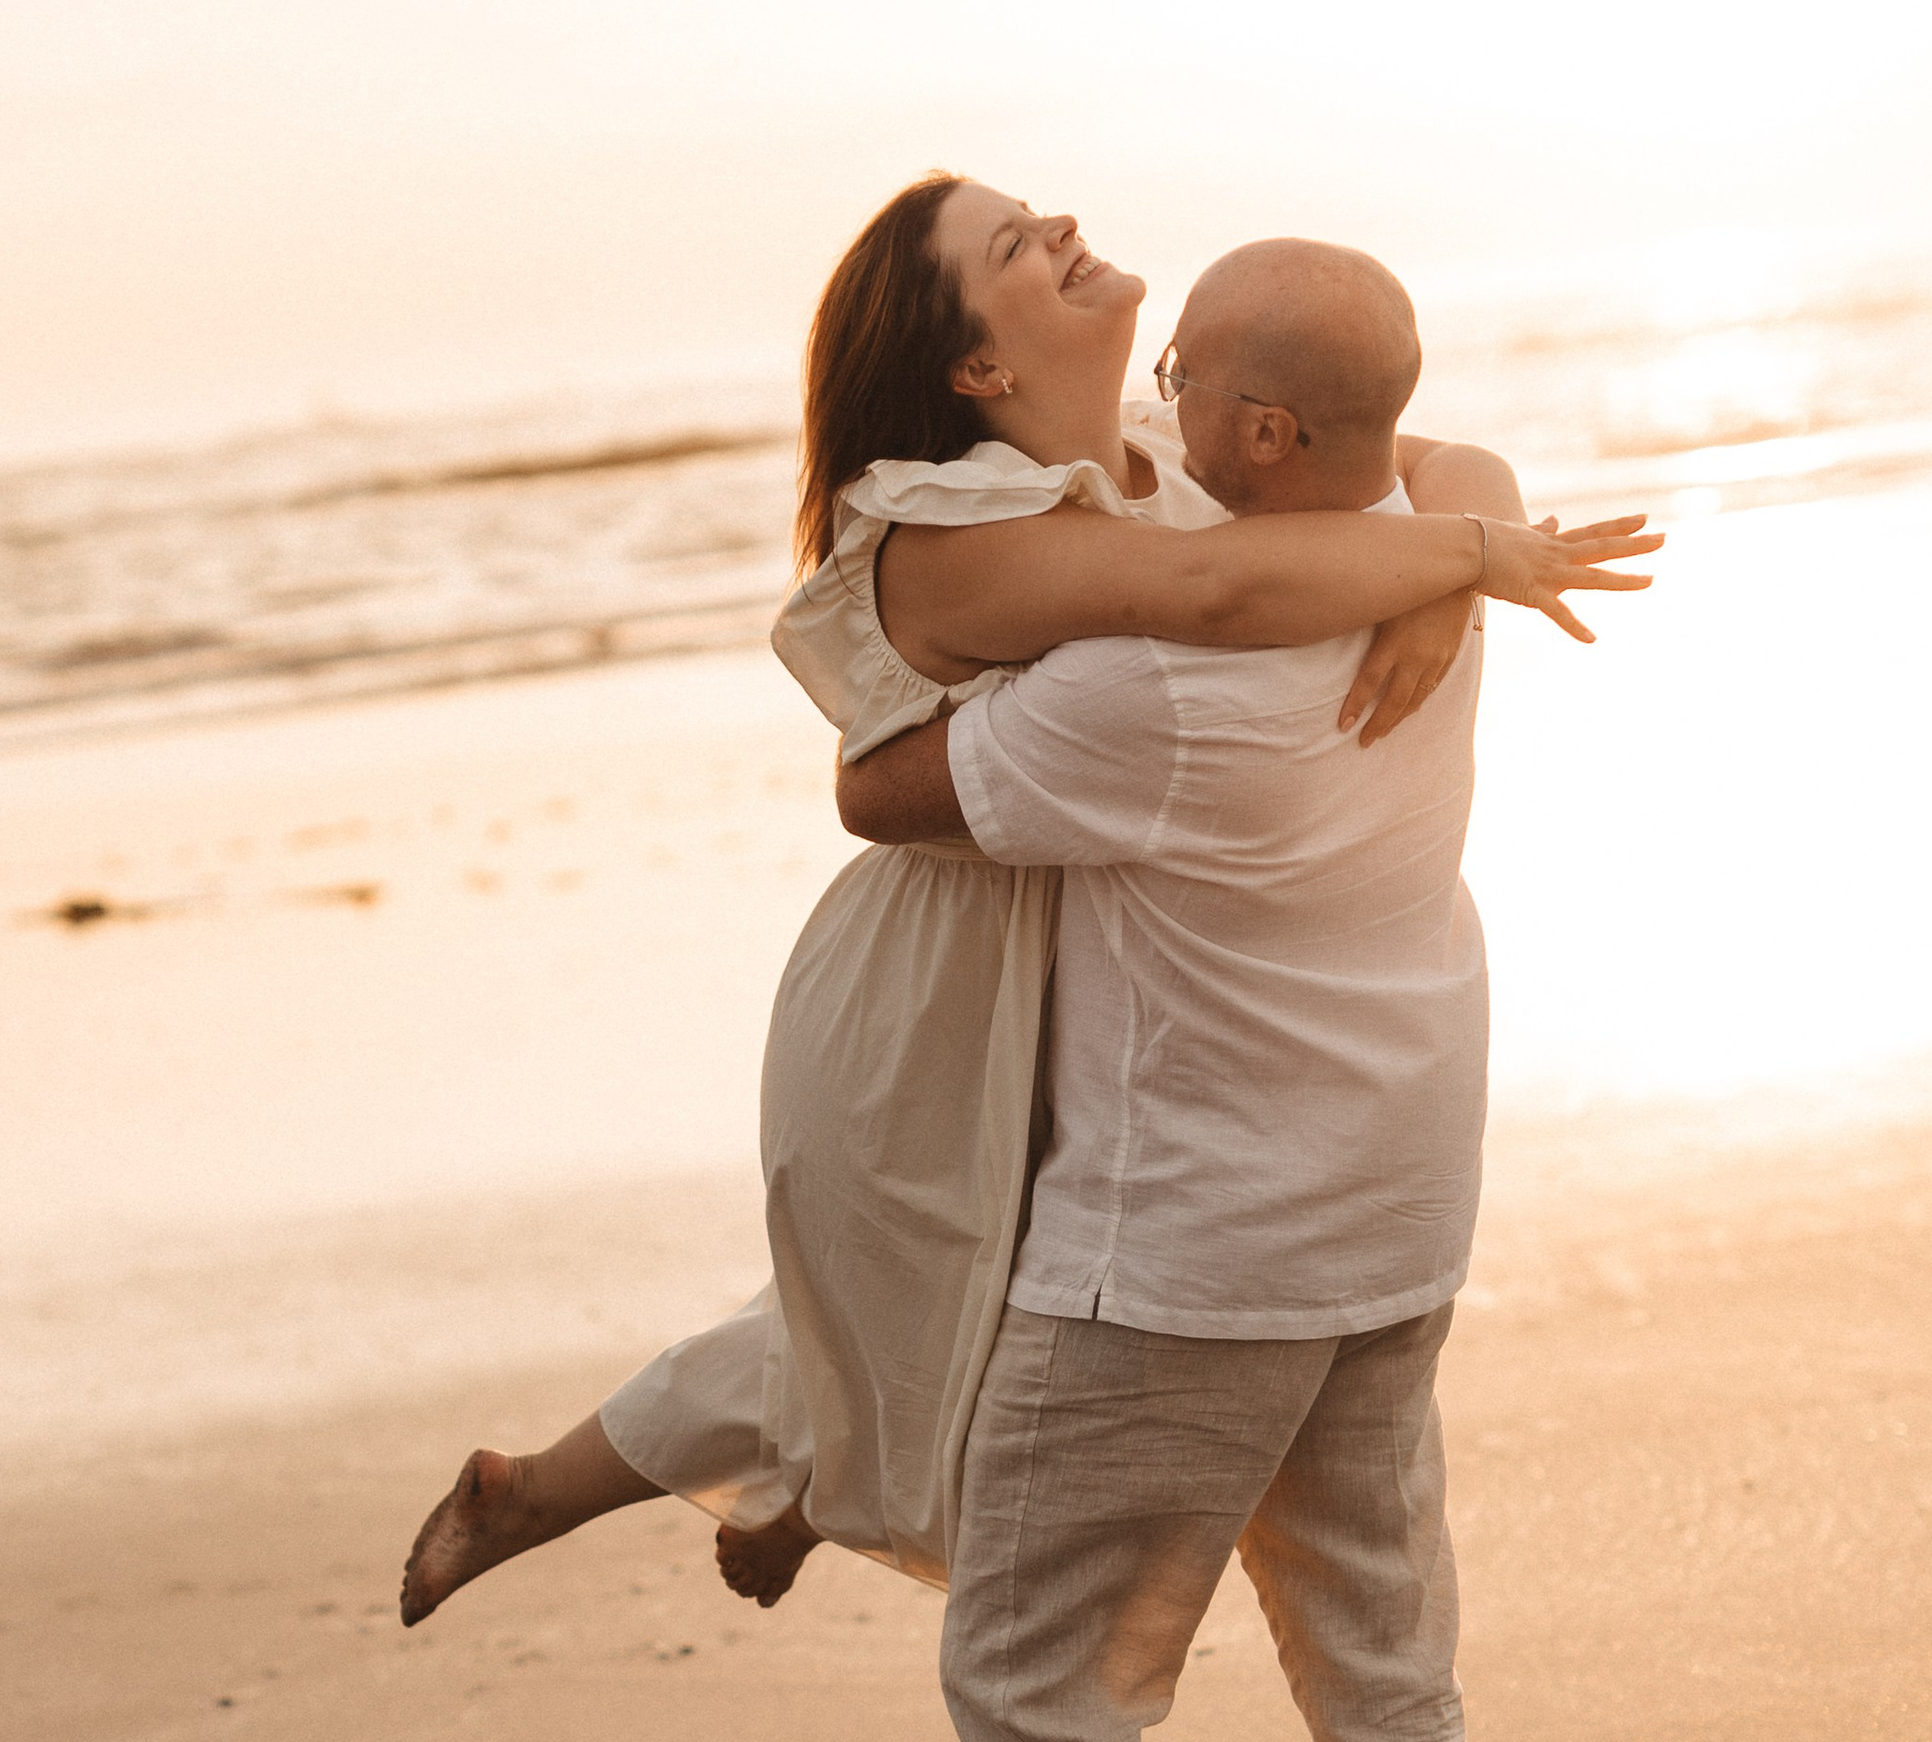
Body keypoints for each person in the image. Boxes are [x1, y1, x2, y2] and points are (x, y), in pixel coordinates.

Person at [399, 175, 1652, 1637]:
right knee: (915, 1297)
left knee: (909, 1306)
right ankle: (703, 1491)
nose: (1059, 224)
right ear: (981, 366)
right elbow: (1222, 594)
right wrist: (1471, 561)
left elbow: (1432, 454)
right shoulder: (962, 528)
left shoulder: (1135, 457)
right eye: (1013, 245)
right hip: (937, 976)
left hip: (1065, 932)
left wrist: (1466, 554)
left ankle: (619, 1486)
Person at [838, 233, 1612, 1742]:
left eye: (1185, 376)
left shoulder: (1141, 687)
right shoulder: (1424, 549)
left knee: (1025, 1685)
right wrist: (1465, 552)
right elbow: (1446, 463)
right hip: (1390, 1223)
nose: (1159, 394)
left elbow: (881, 793)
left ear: (1256, 430)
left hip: (1184, 1267)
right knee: (1383, 1689)